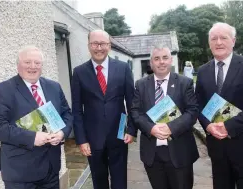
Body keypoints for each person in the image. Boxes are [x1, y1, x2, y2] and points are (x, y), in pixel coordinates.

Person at [0, 46, 73, 189]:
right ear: (18, 65)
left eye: (37, 63)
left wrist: (62, 132)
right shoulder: (3, 90)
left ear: (42, 66)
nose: (33, 66)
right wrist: (32, 138)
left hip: (51, 169)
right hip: (20, 173)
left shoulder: (54, 87)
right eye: (27, 62)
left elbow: (67, 114)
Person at [71, 29, 137, 189]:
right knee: (98, 181)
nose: (99, 48)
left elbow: (132, 102)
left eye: (103, 44)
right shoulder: (79, 72)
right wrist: (81, 139)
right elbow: (77, 109)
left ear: (109, 46)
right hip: (93, 138)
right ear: (88, 45)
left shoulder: (123, 69)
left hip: (119, 135)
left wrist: (132, 130)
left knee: (120, 180)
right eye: (95, 43)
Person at [131, 44, 199, 189]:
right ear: (151, 63)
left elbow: (192, 111)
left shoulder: (184, 83)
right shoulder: (141, 85)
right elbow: (136, 113)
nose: (161, 62)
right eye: (157, 58)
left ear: (170, 60)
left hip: (180, 151)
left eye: (165, 57)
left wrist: (171, 127)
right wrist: (151, 129)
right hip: (152, 153)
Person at [195, 22, 243, 189]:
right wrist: (208, 126)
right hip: (216, 147)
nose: (218, 42)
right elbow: (198, 104)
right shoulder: (202, 71)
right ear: (209, 42)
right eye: (214, 38)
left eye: (224, 37)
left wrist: (228, 125)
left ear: (233, 40)